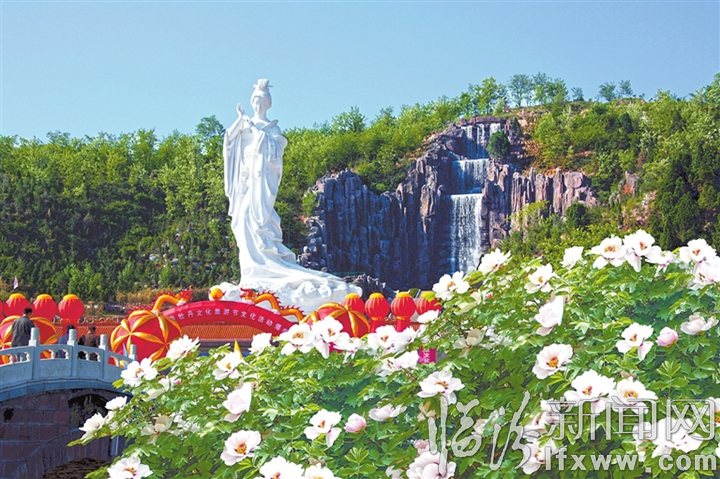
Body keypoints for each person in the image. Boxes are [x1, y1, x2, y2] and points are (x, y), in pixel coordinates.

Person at [222, 79, 361, 313]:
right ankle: (251, 272)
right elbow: (229, 142)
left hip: (260, 182)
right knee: (241, 221)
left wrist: (255, 130)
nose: (258, 104)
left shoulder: (271, 129)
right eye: (256, 100)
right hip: (245, 183)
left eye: (263, 100)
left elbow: (274, 153)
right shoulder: (243, 125)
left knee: (257, 220)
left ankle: (265, 267)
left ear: (268, 103)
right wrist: (240, 122)